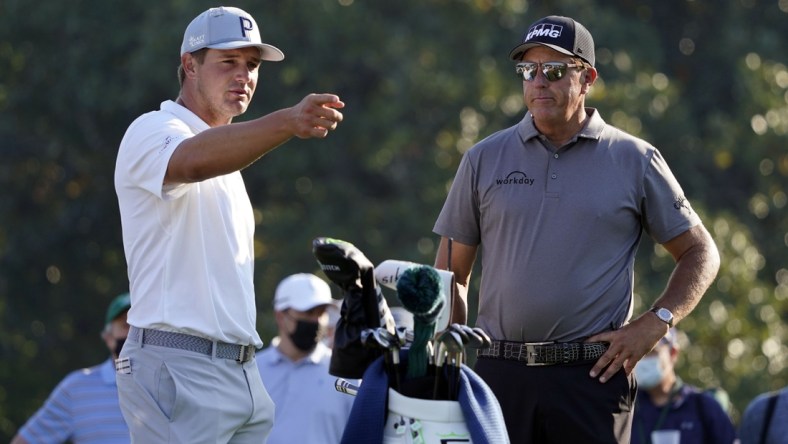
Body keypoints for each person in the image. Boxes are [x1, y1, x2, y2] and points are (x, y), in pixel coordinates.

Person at [432, 14, 720, 443]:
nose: (538, 82)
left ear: (587, 78)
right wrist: (442, 364)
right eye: (528, 71)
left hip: (591, 377)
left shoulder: (635, 159)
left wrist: (657, 322)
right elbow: (451, 277)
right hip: (498, 375)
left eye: (553, 71)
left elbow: (701, 253)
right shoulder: (483, 158)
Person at [113, 6, 344, 443]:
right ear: (189, 65)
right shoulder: (151, 128)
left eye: (252, 65)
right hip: (175, 363)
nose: (244, 76)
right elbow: (193, 159)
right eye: (228, 63)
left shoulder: (231, 162)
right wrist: (288, 120)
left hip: (241, 371)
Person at [12, 293, 131, 444]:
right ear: (108, 337)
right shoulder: (76, 389)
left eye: (141, 326)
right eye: (125, 325)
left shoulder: (169, 383)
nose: (133, 334)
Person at [255, 273, 355, 444]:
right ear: (280, 316)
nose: (316, 321)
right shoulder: (252, 371)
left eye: (321, 313)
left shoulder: (347, 375)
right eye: (308, 312)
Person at [631, 328, 736, 443]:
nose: (642, 359)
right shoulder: (625, 408)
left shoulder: (703, 407)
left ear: (673, 353)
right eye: (636, 354)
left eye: (650, 352)